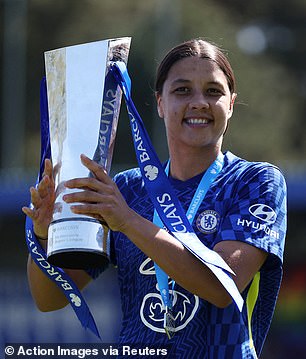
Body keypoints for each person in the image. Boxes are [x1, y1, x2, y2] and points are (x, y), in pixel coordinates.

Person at [22, 38, 287, 358]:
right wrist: (43, 232)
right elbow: (50, 299)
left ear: (231, 104)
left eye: (213, 91)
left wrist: (129, 222)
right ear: (160, 103)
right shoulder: (127, 190)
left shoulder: (255, 181)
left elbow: (222, 287)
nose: (199, 102)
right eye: (183, 90)